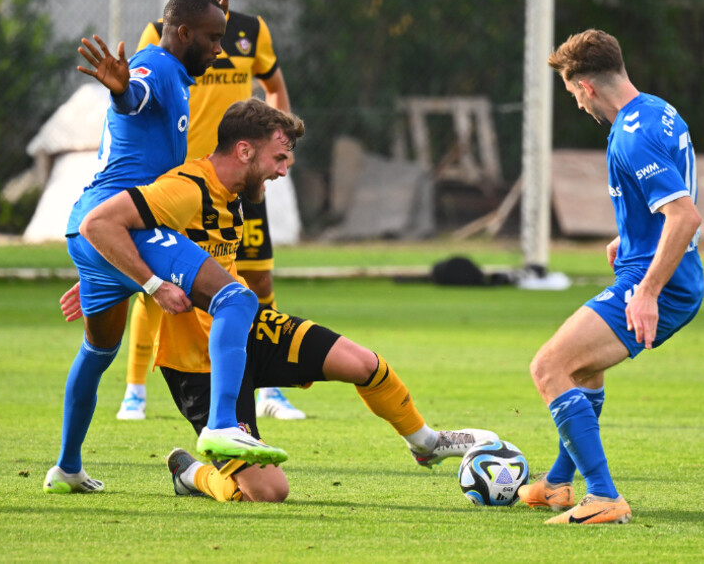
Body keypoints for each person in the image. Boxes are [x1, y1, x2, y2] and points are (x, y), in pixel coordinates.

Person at [59, 103, 498, 503]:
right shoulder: (186, 187)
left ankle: (426, 443)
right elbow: (102, 225)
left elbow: (155, 247)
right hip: (196, 364)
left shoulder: (235, 196)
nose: (284, 171)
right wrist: (126, 278)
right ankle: (192, 475)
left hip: (247, 331)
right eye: (279, 158)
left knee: (362, 363)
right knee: (269, 493)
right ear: (246, 151)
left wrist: (115, 273)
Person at [43, 0, 292, 494]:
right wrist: (118, 90)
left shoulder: (177, 70)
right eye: (213, 38)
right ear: (182, 34)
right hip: (122, 224)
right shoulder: (153, 66)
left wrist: (105, 265)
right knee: (236, 297)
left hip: (92, 228)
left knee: (96, 352)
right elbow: (134, 97)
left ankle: (67, 467)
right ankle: (224, 424)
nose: (220, 49)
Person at [516, 29, 704, 524]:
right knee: (581, 369)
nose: (577, 104)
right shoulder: (658, 110)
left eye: (573, 93)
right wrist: (633, 233)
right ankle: (557, 484)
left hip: (660, 281)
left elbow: (684, 216)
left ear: (587, 86)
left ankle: (603, 496)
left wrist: (646, 291)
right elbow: (670, 197)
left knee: (548, 368)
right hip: (654, 265)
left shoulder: (631, 136)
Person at [117, 0, 302, 423]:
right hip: (183, 182)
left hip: (239, 180)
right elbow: (139, 94)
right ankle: (135, 388)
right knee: (159, 280)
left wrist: (277, 147)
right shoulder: (162, 34)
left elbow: (275, 87)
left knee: (256, 275)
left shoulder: (248, 31)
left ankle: (266, 386)